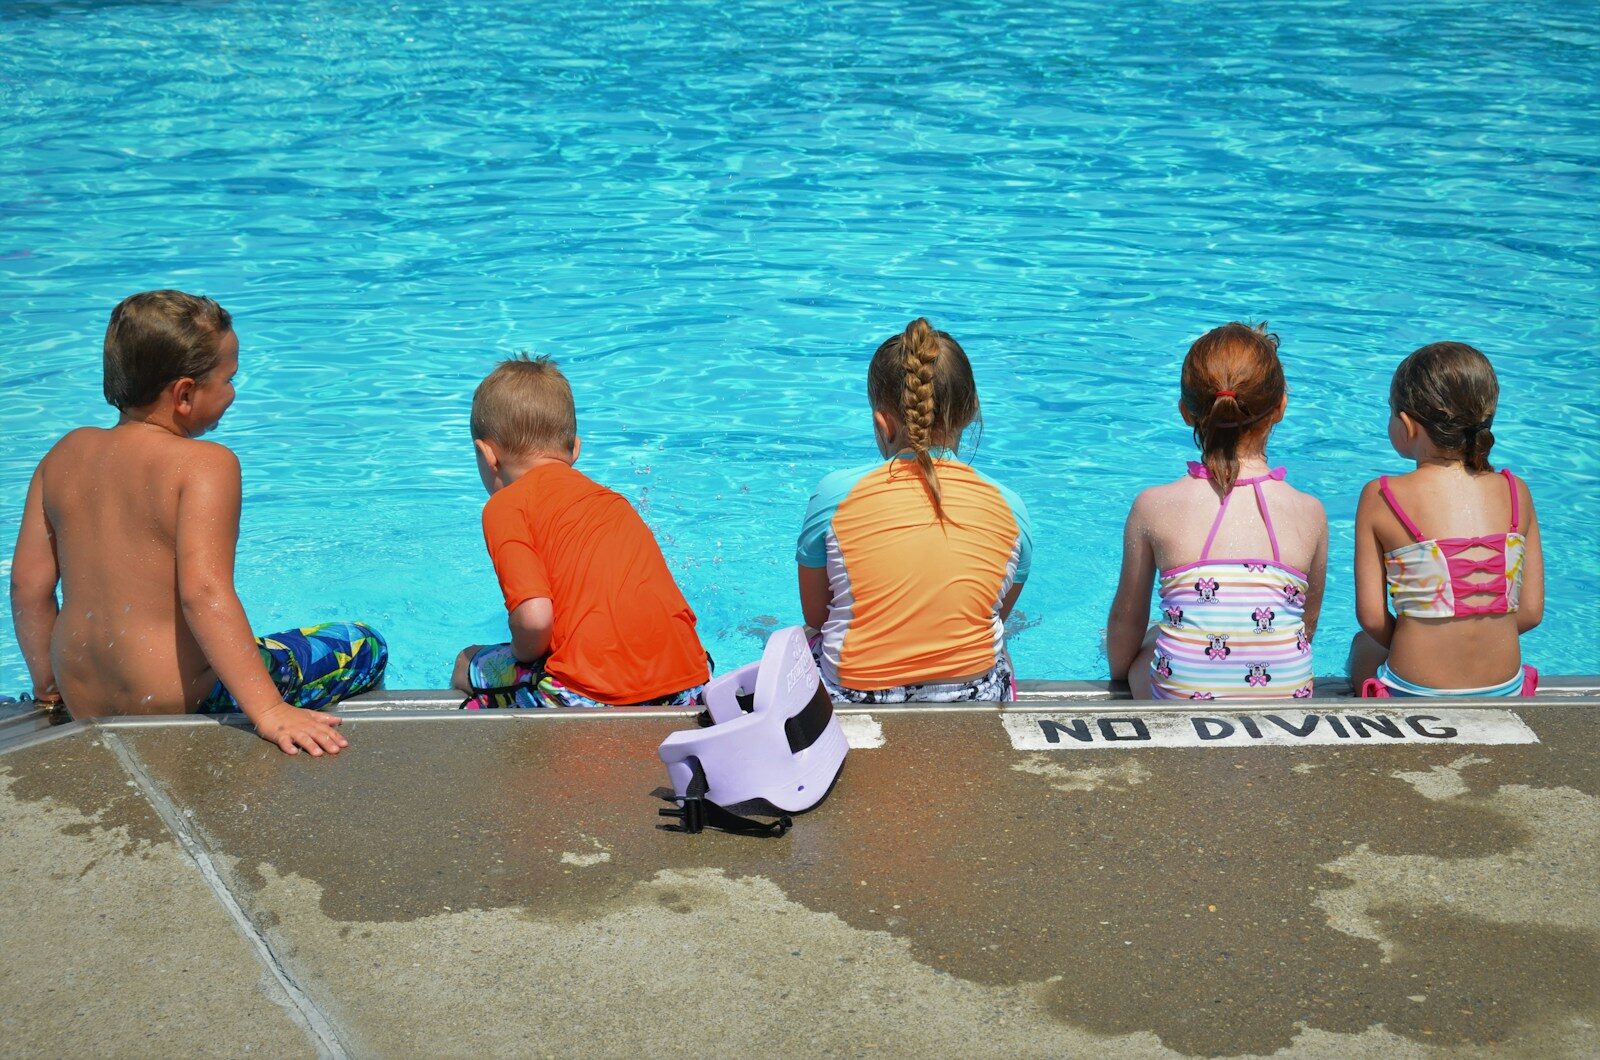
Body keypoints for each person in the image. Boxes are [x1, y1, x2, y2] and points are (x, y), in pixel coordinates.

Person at [8, 290, 386, 754]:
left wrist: (49, 683)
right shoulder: (206, 465)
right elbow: (203, 594)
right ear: (185, 394)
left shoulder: (63, 454)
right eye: (229, 378)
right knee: (362, 643)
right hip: (181, 703)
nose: (234, 393)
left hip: (83, 699)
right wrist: (269, 712)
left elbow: (28, 586)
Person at [451, 355, 709, 709]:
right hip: (690, 683)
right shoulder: (611, 501)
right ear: (575, 449)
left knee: (468, 666)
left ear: (486, 454)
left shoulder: (506, 505)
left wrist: (519, 655)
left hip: (592, 695)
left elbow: (536, 618)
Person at [796, 317, 1032, 703]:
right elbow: (992, 613)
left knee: (802, 640)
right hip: (974, 699)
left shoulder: (834, 494)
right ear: (970, 416)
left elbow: (817, 616)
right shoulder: (1011, 507)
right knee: (997, 642)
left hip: (853, 695)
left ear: (882, 424)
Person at [1106, 322, 1327, 700]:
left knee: (1151, 639)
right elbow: (1306, 626)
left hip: (1182, 694)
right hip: (1288, 692)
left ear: (1185, 413)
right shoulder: (1310, 512)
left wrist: (1121, 673)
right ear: (1280, 408)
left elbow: (1125, 625)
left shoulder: (1153, 506)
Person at [1347, 342, 1543, 696]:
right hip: (1504, 688)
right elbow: (1530, 612)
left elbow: (1373, 618)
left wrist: (1415, 642)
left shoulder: (1381, 496)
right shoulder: (1517, 492)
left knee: (1364, 644)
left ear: (1407, 425)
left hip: (1412, 690)